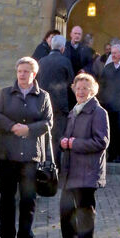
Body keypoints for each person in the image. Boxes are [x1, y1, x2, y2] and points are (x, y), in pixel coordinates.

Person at [0, 56, 53, 238]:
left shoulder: (43, 96)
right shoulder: (6, 94)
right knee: (7, 200)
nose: (22, 75)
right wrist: (11, 126)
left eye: (26, 71)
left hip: (30, 157)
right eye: (20, 71)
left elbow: (48, 122)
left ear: (34, 74)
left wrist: (28, 129)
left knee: (28, 200)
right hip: (7, 155)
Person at [57, 73, 109, 238]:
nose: (80, 91)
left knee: (85, 218)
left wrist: (73, 143)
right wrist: (64, 142)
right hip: (70, 173)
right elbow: (69, 138)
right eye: (78, 88)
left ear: (92, 91)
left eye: (85, 88)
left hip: (87, 174)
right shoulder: (74, 111)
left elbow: (101, 142)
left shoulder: (98, 112)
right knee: (66, 215)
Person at [36, 35, 74, 166]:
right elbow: (71, 82)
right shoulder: (65, 62)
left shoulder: (41, 61)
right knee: (57, 138)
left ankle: (40, 166)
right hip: (59, 105)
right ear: (63, 48)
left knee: (42, 136)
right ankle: (55, 167)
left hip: (42, 104)